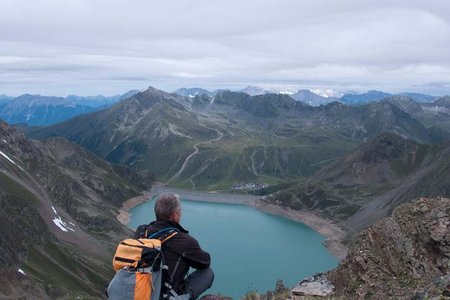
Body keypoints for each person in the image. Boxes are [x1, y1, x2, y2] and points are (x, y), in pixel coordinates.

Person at [135, 194, 214, 299]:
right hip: (163, 296)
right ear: (175, 215)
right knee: (208, 273)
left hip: (137, 290)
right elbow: (205, 262)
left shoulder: (141, 232)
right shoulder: (184, 240)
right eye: (180, 211)